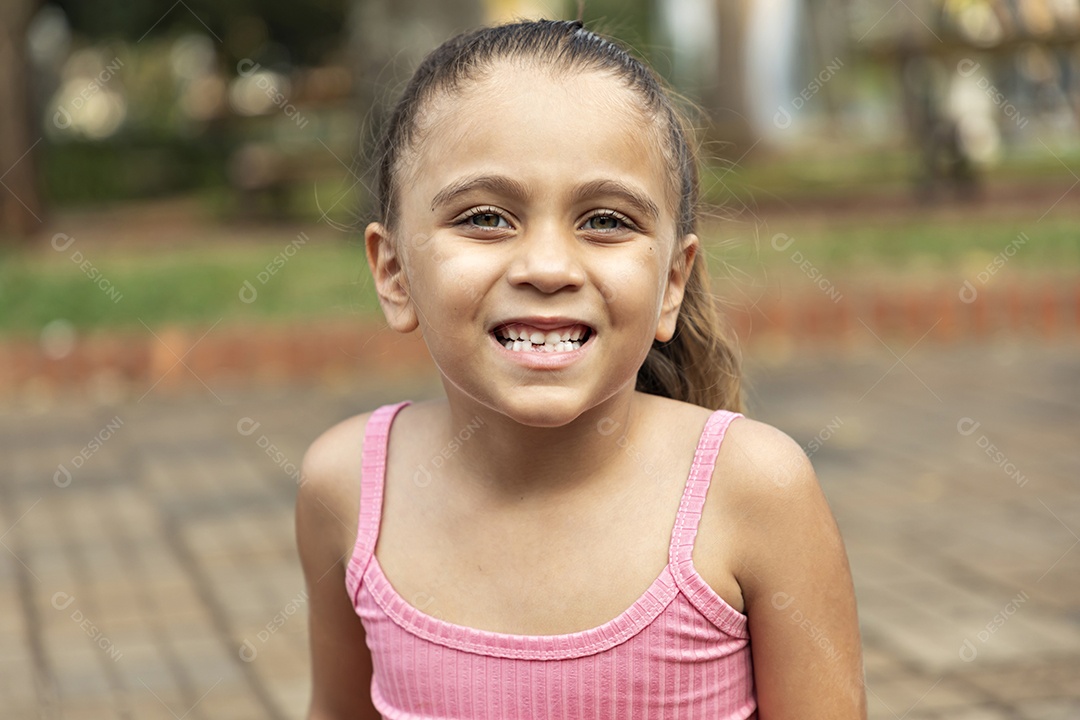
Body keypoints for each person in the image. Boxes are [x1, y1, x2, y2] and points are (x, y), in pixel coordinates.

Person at [297, 18, 866, 720]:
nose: (547, 267)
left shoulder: (754, 490)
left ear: (672, 284)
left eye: (604, 221)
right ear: (393, 273)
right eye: (485, 217)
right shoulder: (348, 489)